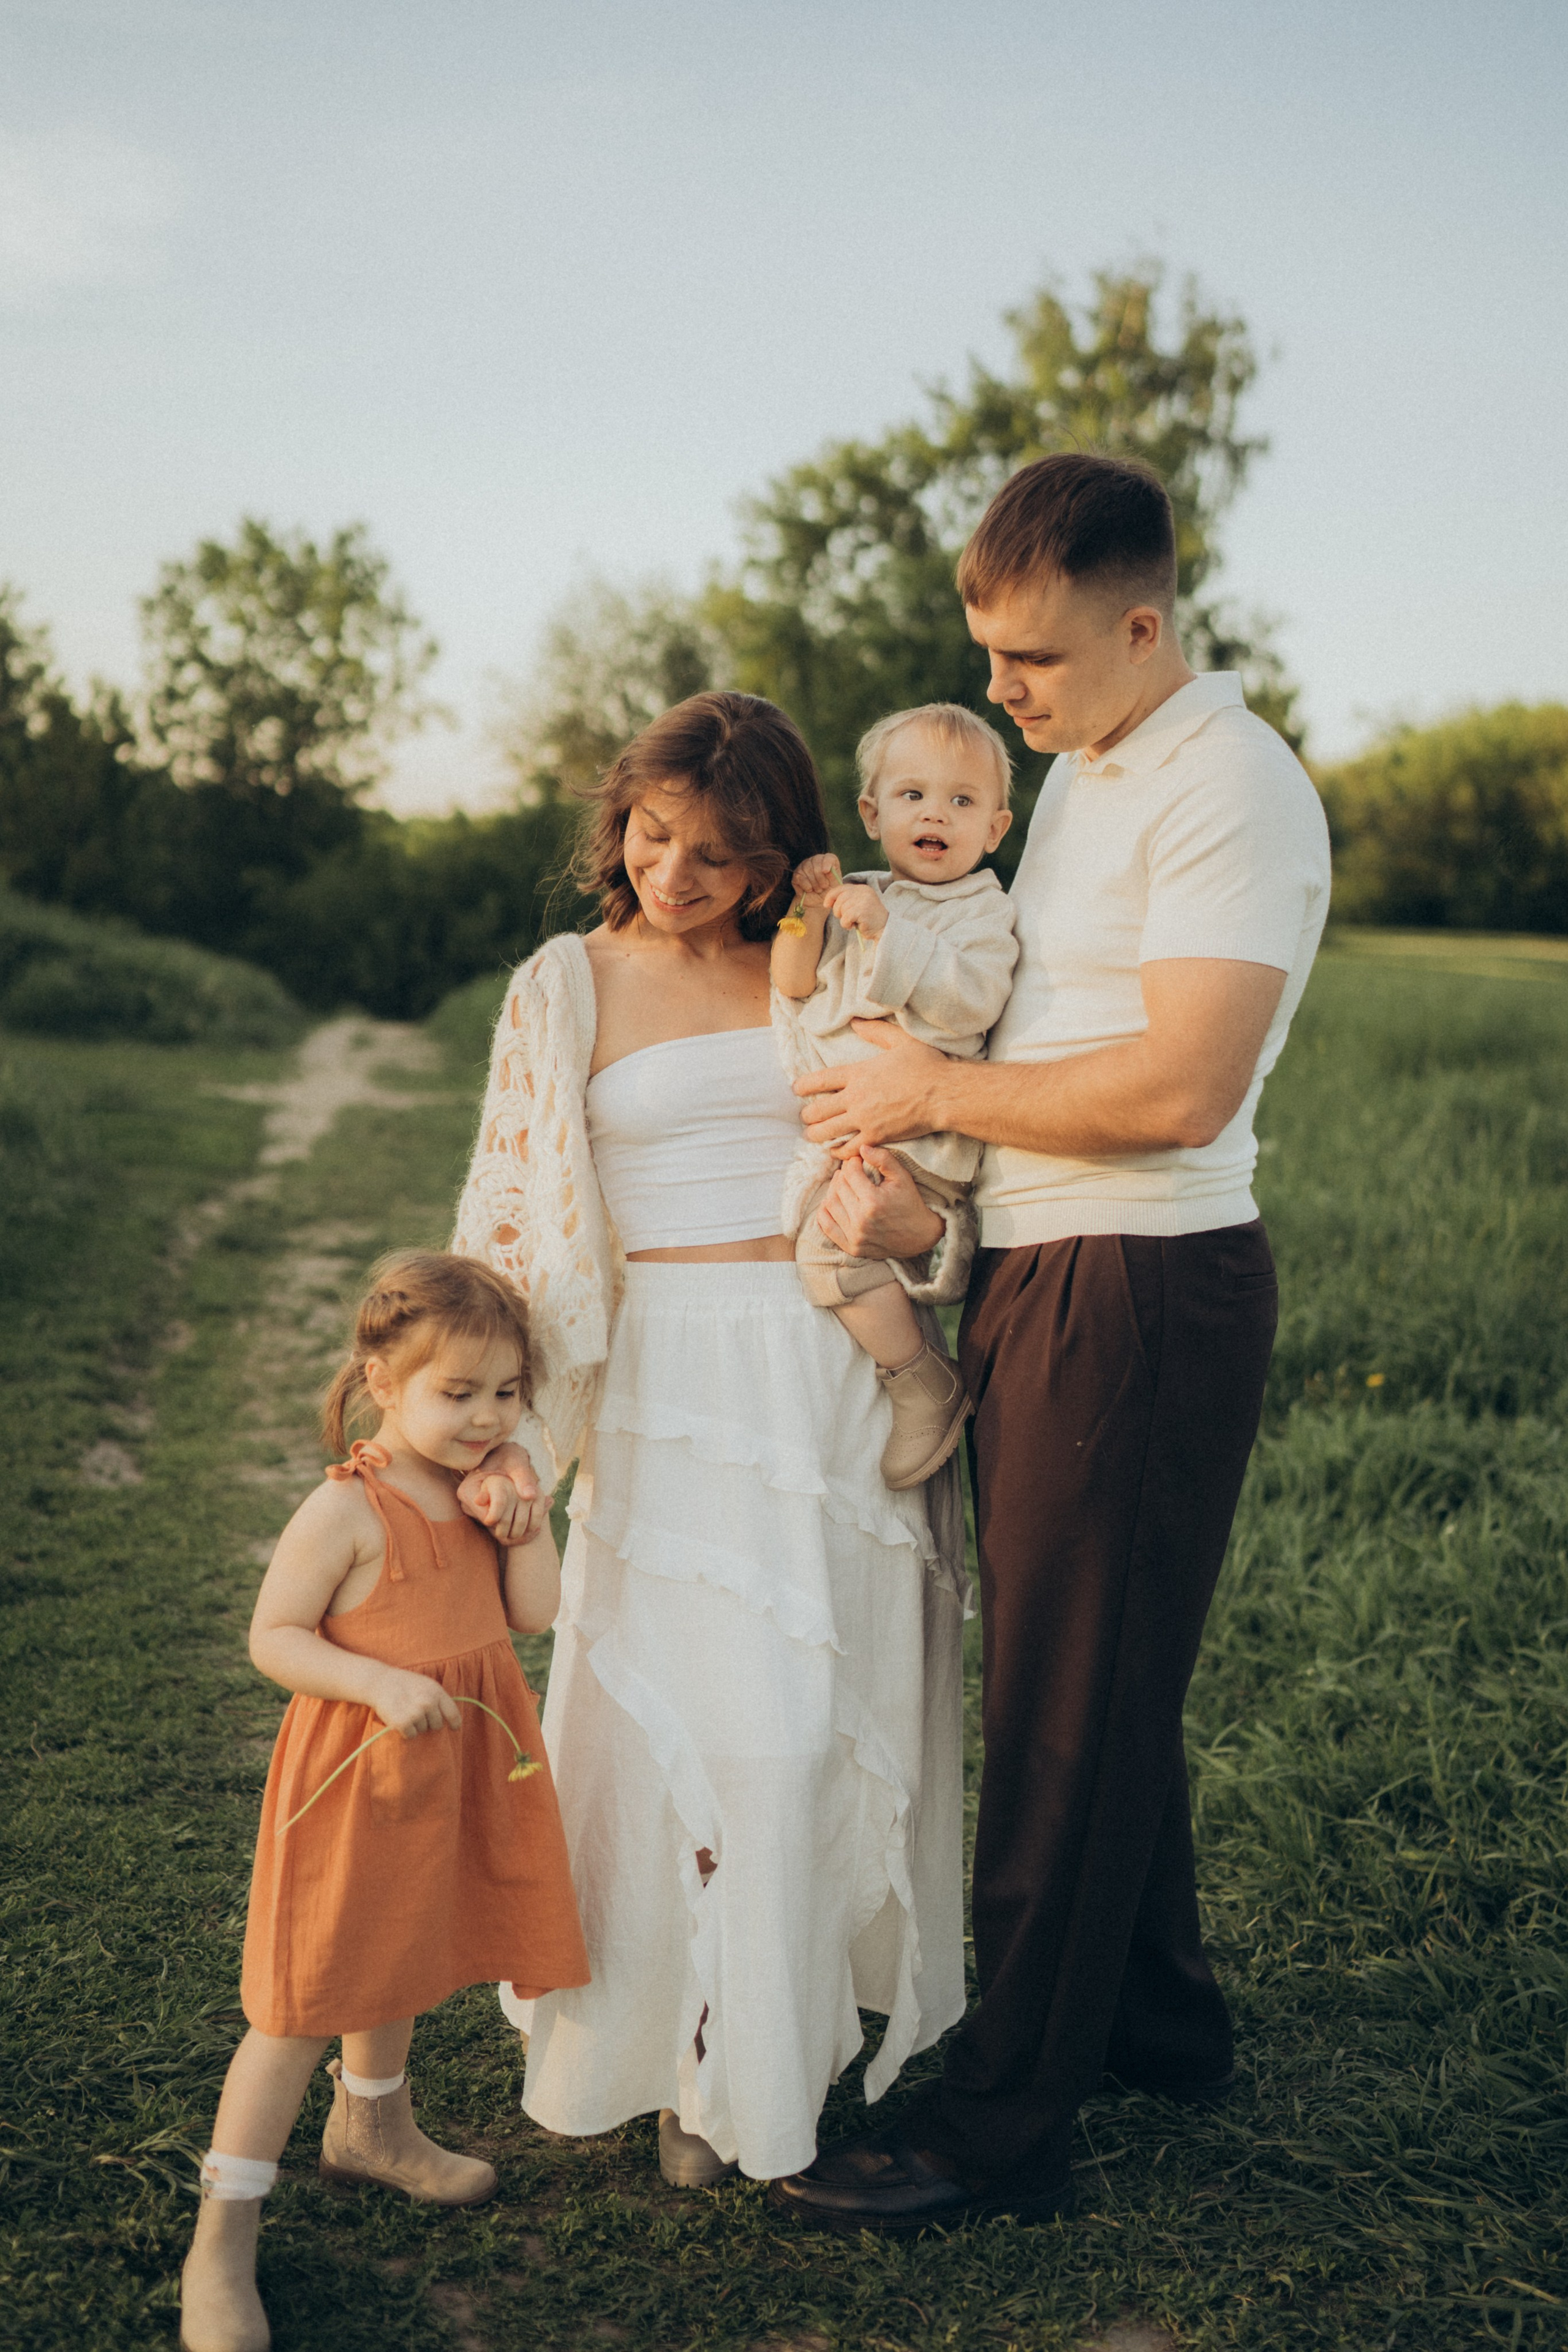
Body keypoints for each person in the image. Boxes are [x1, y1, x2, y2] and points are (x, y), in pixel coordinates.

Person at [771, 452, 1332, 2231]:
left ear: (1141, 622)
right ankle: (1157, 2019)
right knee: (1093, 1667)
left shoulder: (1229, 785)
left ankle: (996, 2124)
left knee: (1064, 1715)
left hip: (1144, 1285)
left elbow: (1179, 1085)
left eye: (1029, 660)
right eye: (985, 656)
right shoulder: (1087, 775)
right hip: (1038, 1263)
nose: (997, 694)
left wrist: (929, 1084)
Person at [451, 690, 968, 2191]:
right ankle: (668, 2047)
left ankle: (756, 2064)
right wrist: (491, 1429)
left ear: (775, 859)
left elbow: (941, 1179)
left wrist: (917, 1231)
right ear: (618, 827)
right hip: (662, 1378)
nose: (675, 874)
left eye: (719, 853)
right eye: (651, 834)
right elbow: (507, 1208)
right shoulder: (563, 981)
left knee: (804, 1724)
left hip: (825, 1364)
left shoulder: (834, 972)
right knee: (680, 1721)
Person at [179, 1252, 586, 2352]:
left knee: (401, 1952)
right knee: (302, 2002)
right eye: (457, 1394)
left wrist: (526, 1516)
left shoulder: (484, 1489)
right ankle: (222, 2238)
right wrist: (378, 1680)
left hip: (446, 1773)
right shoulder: (346, 1511)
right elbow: (274, 1638)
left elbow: (535, 1614)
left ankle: (376, 2127)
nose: (485, 1416)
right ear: (381, 1381)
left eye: (506, 1393)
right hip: (360, 1778)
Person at [771, 703, 1019, 1489]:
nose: (935, 814)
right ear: (872, 815)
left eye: (961, 801)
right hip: (861, 1133)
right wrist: (805, 911)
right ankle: (902, 1369)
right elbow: (792, 981)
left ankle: (920, 1383)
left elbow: (972, 1001)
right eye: (912, 796)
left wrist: (888, 933)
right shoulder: (857, 892)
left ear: (995, 829)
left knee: (827, 1255)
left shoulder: (982, 910)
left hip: (921, 1143)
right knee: (824, 1247)